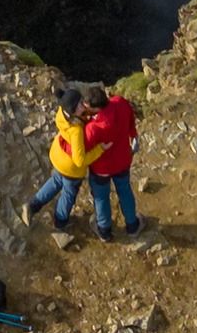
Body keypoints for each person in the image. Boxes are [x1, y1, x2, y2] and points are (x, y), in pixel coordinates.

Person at [24, 83, 95, 231]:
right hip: (71, 168)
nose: (84, 106)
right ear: (73, 111)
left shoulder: (62, 114)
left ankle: (33, 205)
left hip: (58, 156)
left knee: (56, 181)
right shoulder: (76, 130)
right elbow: (79, 160)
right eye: (80, 105)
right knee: (69, 194)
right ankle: (60, 221)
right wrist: (100, 149)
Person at [83, 83, 141, 240]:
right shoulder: (120, 103)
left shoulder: (93, 128)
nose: (84, 107)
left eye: (86, 105)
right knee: (125, 192)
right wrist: (133, 134)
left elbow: (85, 149)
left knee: (101, 198)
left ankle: (104, 231)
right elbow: (130, 119)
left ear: (95, 108)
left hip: (101, 169)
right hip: (123, 161)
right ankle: (132, 226)